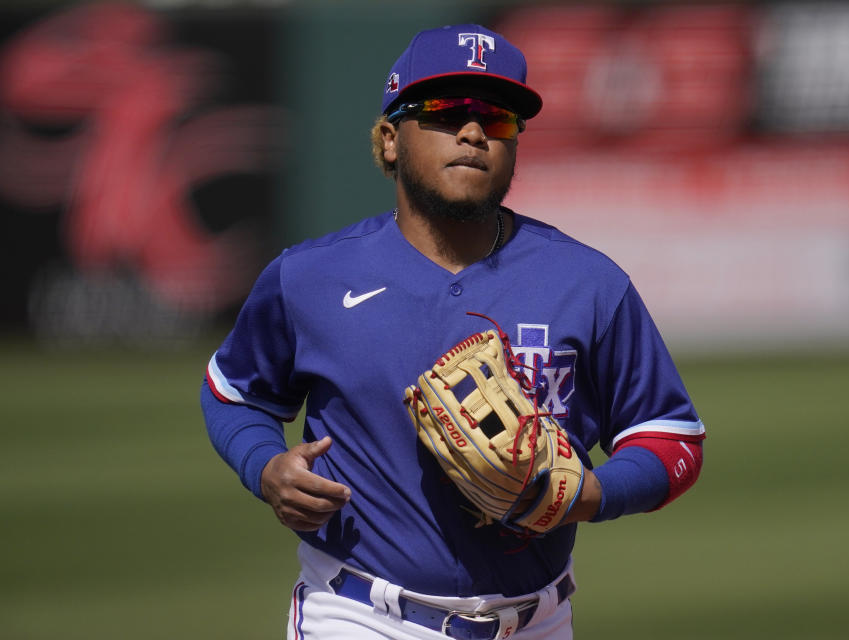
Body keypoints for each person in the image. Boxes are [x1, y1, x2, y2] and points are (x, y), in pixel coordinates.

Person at [201, 23, 705, 640]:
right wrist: (265, 465)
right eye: (445, 112)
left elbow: (672, 438)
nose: (473, 132)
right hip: (363, 616)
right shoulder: (310, 277)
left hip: (538, 622)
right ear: (389, 140)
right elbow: (234, 393)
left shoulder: (588, 283)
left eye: (498, 119)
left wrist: (589, 494)